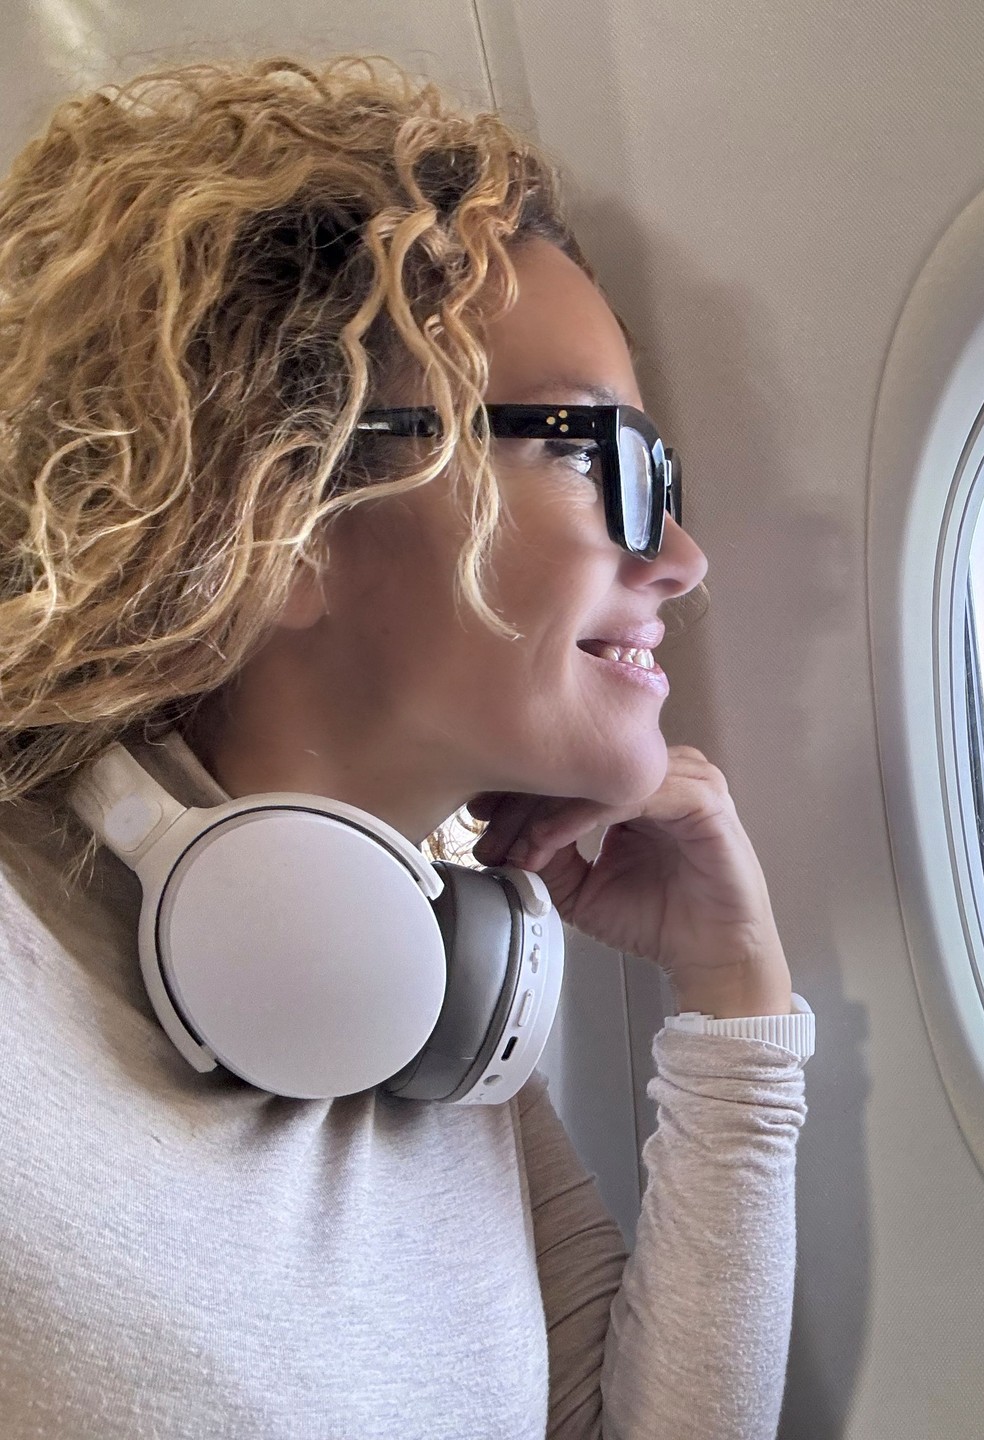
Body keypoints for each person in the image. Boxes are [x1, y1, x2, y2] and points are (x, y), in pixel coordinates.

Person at [0, 57, 810, 1438]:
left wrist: (734, 997)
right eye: (594, 454)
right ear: (287, 505)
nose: (679, 556)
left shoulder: (423, 999)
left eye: (663, 485)